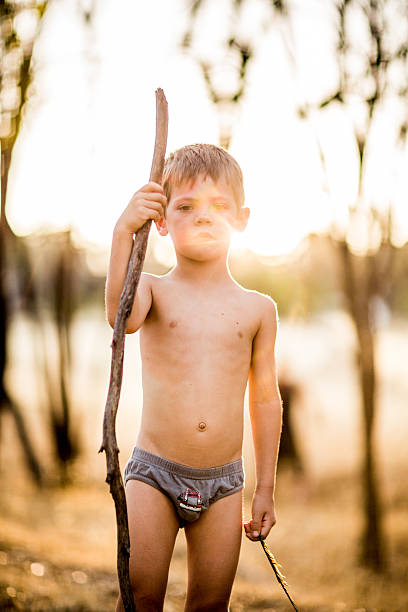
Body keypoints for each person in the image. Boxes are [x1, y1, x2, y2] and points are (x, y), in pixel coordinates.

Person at [105, 143, 282, 612]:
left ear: (241, 219)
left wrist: (264, 488)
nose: (204, 217)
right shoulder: (152, 289)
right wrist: (124, 230)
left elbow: (266, 400)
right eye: (185, 206)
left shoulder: (258, 309)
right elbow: (120, 317)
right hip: (154, 474)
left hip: (225, 484)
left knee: (209, 604)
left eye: (219, 206)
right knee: (140, 595)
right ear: (161, 222)